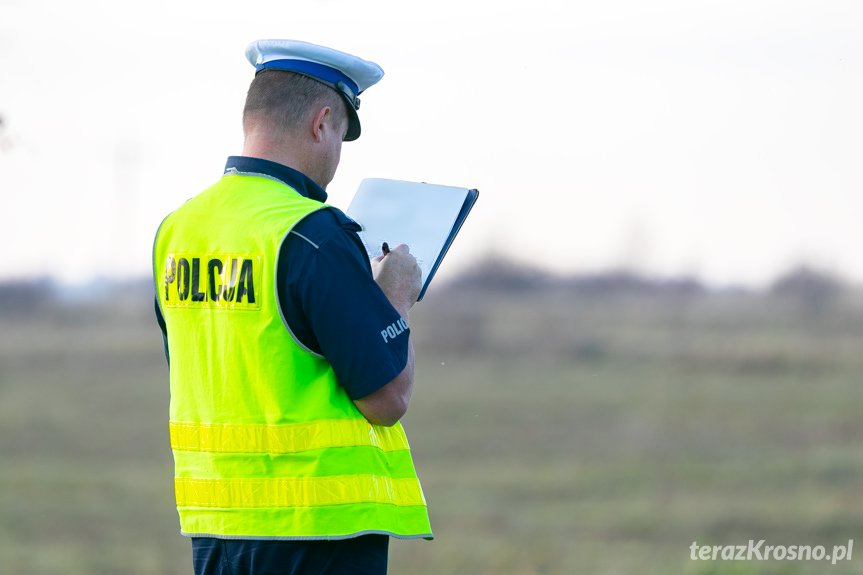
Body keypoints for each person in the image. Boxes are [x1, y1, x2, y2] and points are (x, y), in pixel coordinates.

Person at [152, 39, 432, 575]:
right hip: (317, 532)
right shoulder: (312, 233)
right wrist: (394, 297)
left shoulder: (178, 229)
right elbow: (387, 397)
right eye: (342, 135)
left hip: (217, 527)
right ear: (322, 122)